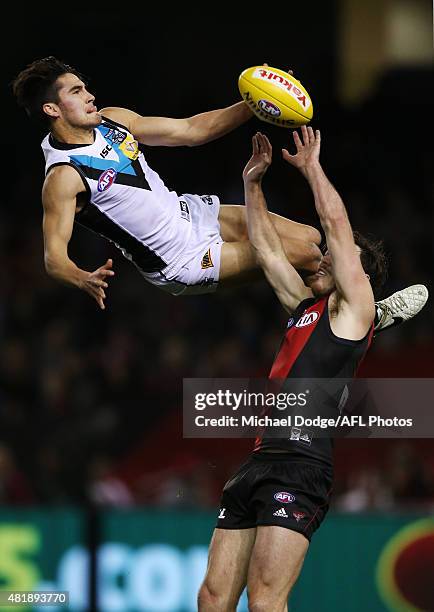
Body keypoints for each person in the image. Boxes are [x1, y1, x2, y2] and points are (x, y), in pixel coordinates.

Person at [198, 128, 428, 611]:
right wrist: (253, 183)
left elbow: (336, 222)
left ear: (360, 277)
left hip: (301, 468)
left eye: (338, 259)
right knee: (214, 597)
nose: (324, 257)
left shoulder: (355, 309)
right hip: (258, 460)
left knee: (265, 601)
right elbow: (265, 249)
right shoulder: (303, 307)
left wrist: (311, 168)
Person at [12, 56, 323, 308]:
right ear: (51, 109)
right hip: (180, 260)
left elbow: (191, 130)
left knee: (311, 238)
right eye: (76, 92)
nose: (90, 96)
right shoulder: (63, 176)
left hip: (192, 213)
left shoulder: (113, 120)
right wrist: (80, 277)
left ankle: (341, 317)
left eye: (85, 88)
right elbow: (54, 257)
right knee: (307, 256)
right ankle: (332, 332)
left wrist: (255, 103)